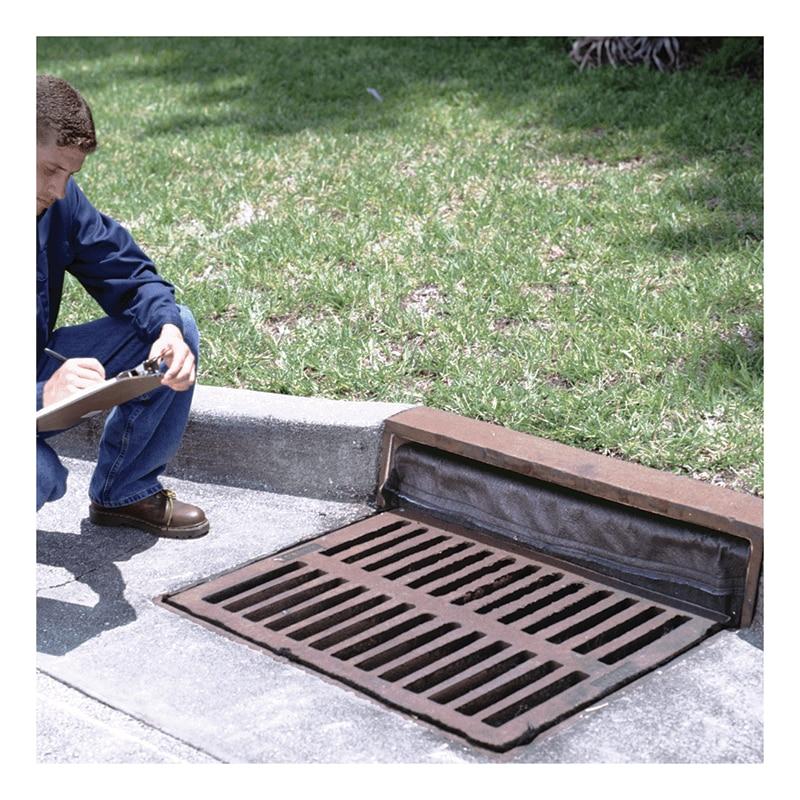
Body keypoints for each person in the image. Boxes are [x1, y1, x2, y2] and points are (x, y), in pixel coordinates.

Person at [36, 74, 209, 538]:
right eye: (50, 170)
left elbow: (129, 276)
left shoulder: (58, 202)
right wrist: (40, 396)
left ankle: (124, 493)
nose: (57, 190)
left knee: (174, 328)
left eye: (68, 176)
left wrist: (166, 329)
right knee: (36, 475)